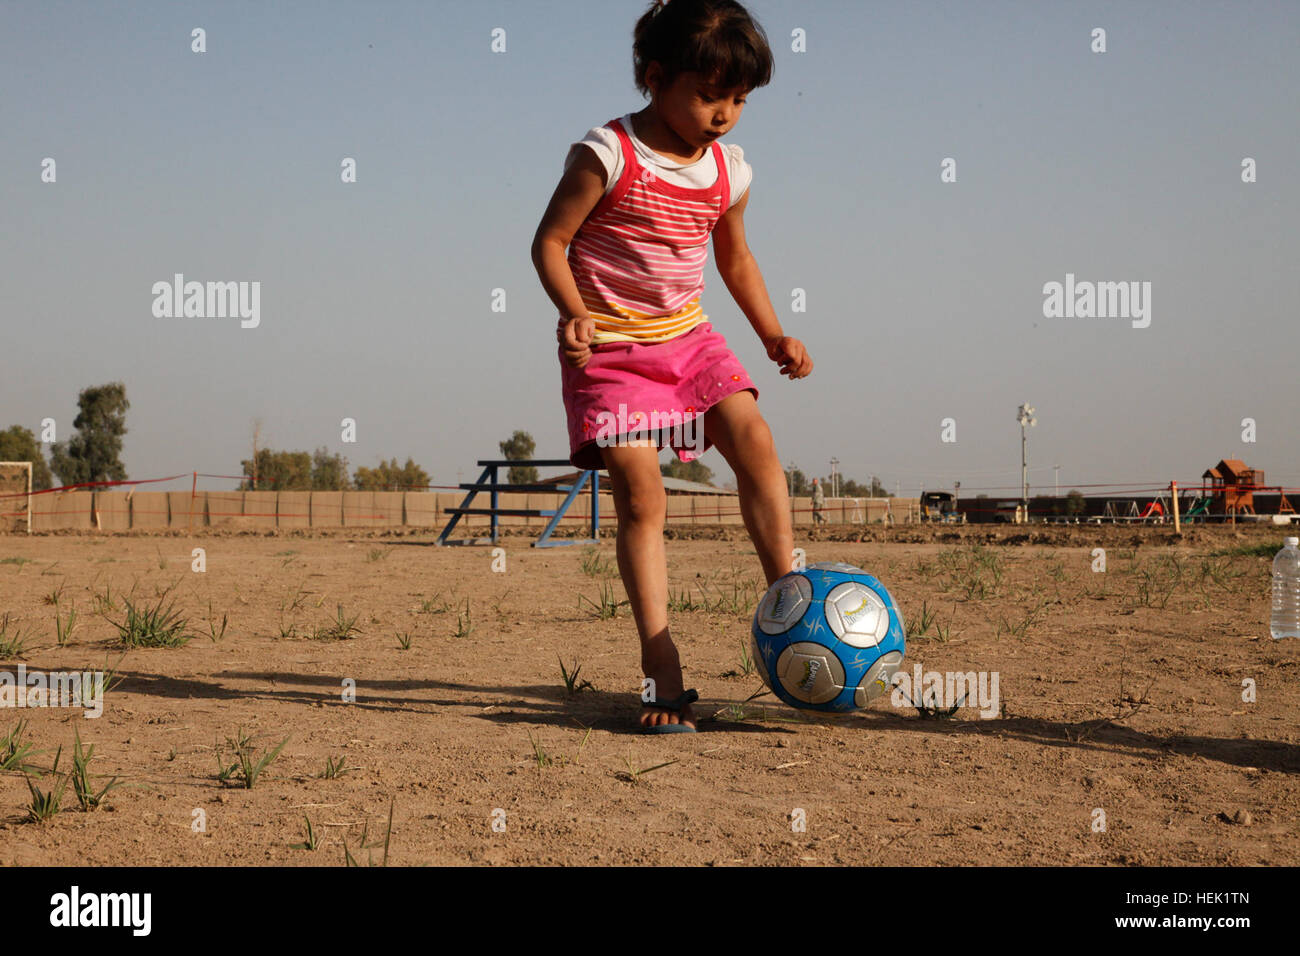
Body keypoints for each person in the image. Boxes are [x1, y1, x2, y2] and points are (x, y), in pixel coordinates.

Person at [532, 0, 812, 733]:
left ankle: (792, 601)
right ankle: (661, 669)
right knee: (642, 493)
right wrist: (573, 312)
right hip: (614, 350)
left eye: (741, 101)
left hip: (689, 340)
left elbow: (735, 257)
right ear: (656, 78)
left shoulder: (729, 172)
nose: (725, 114)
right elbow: (550, 243)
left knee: (755, 441)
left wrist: (774, 334)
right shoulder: (608, 155)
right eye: (710, 95)